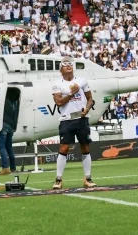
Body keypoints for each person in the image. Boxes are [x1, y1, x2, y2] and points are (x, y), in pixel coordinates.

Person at [51, 56, 97, 189]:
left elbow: (90, 99)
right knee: (64, 148)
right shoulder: (57, 84)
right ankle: (58, 179)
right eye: (65, 65)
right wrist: (72, 93)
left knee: (85, 147)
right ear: (61, 69)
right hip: (66, 120)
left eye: (70, 64)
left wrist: (87, 109)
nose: (68, 66)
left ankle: (87, 178)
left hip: (81, 119)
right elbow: (59, 102)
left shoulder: (82, 81)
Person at [0, 92, 18, 175]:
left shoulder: (0, 102)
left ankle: (5, 168)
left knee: (2, 147)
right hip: (10, 126)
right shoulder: (11, 104)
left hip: (3, 125)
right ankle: (13, 168)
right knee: (9, 148)